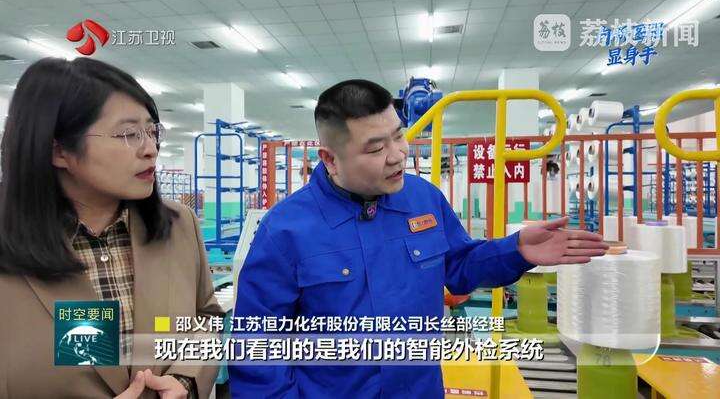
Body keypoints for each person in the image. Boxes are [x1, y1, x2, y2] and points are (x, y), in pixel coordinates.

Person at [229, 79, 608, 398]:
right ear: (330, 159)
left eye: (399, 135)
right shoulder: (285, 230)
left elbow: (459, 267)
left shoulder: (423, 199)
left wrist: (516, 250)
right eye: (376, 148)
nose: (397, 155)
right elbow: (257, 348)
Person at [0, 57, 222, 399]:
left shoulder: (179, 227)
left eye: (152, 131)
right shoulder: (9, 245)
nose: (151, 150)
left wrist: (186, 380)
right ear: (59, 150)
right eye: (128, 134)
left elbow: (206, 321)